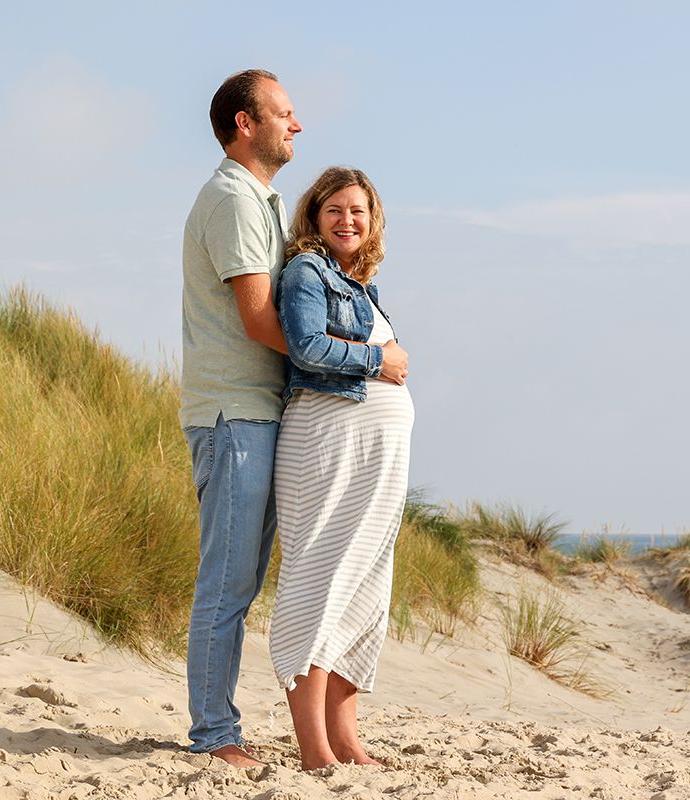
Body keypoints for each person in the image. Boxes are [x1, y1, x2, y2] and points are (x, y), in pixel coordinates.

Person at [268, 167, 412, 768]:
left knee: (362, 590)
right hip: (325, 449)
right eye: (335, 210)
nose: (347, 220)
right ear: (315, 216)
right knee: (321, 582)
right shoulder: (307, 272)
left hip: (373, 459)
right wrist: (377, 359)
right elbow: (304, 346)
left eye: (358, 211)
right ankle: (314, 748)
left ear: (373, 219)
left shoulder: (360, 284)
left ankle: (346, 740)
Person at [179, 68, 302, 767]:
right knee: (226, 582)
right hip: (233, 416)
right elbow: (260, 320)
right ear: (245, 124)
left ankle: (220, 726)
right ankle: (213, 735)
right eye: (284, 112)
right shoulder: (231, 197)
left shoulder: (263, 199)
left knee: (240, 583)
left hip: (256, 413)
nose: (297, 124)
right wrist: (348, 364)